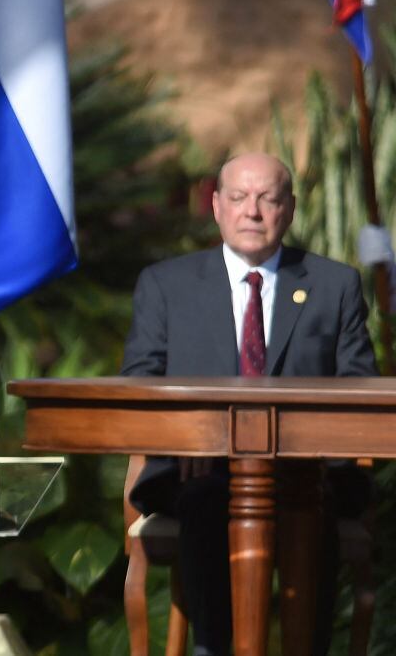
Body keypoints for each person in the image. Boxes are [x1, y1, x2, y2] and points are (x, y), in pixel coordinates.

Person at [121, 153, 376, 656]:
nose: (252, 212)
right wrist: (185, 443)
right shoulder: (166, 285)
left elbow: (359, 391)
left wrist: (324, 462)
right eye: (238, 198)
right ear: (216, 207)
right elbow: (139, 387)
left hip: (307, 477)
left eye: (268, 198)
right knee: (209, 500)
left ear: (291, 209)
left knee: (311, 506)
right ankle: (214, 649)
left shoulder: (334, 285)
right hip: (195, 477)